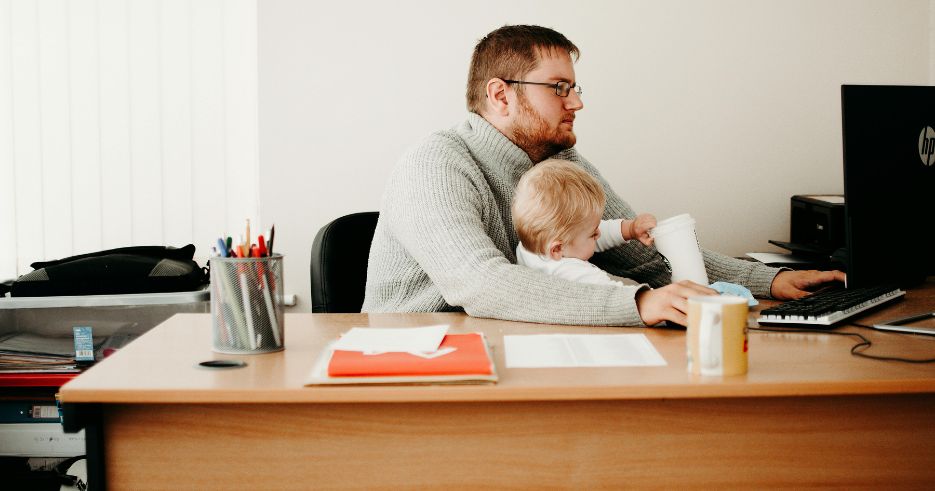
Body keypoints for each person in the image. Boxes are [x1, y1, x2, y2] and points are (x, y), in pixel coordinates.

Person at [362, 24, 844, 326]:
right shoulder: (435, 164)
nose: (577, 103)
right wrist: (637, 305)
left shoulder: (563, 165)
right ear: (500, 95)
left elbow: (645, 258)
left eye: (574, 87)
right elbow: (480, 284)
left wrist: (770, 281)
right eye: (559, 88)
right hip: (420, 368)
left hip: (519, 344)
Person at [512, 158, 656, 287]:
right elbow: (617, 298)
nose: (599, 233)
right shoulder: (575, 274)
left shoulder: (531, 247)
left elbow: (583, 237)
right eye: (593, 234)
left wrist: (630, 229)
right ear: (557, 249)